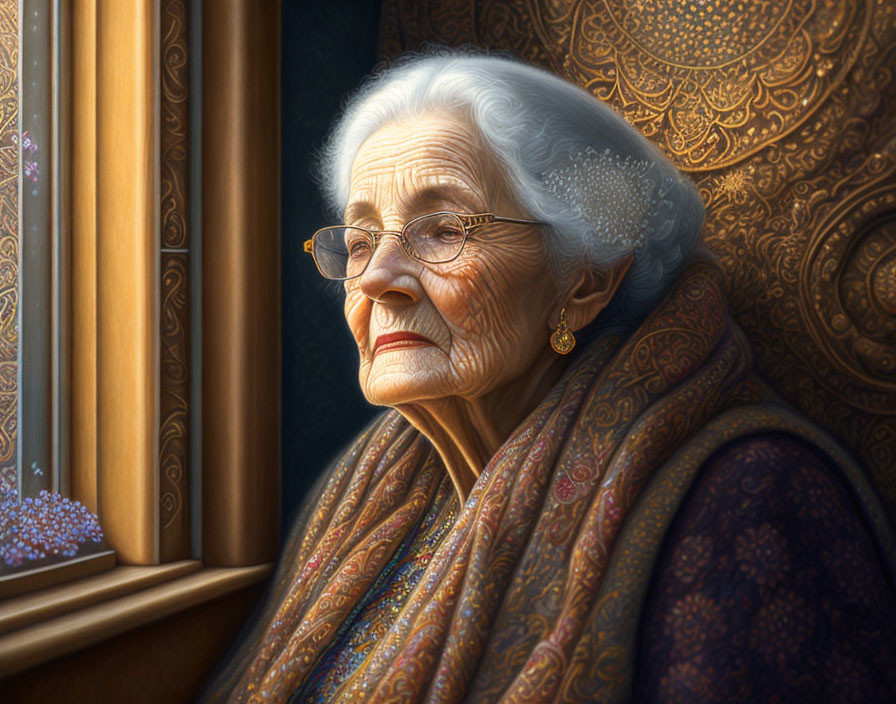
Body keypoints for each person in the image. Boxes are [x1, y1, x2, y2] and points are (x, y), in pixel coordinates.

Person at [204, 52, 896, 703]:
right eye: (359, 241)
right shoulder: (378, 487)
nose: (376, 278)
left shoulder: (752, 497)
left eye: (442, 230)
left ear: (585, 282)